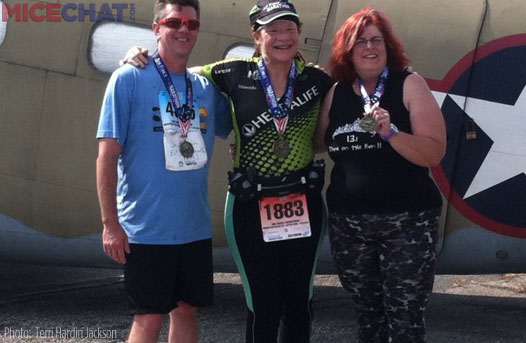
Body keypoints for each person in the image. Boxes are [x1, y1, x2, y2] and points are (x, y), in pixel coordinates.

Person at [121, 1, 333, 342]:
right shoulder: (232, 73)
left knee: (298, 302)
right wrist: (138, 54)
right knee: (263, 303)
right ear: (257, 36)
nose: (283, 37)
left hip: (302, 202)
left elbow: (340, 115)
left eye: (290, 29)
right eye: (273, 30)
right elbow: (180, 73)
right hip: (251, 204)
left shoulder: (318, 80)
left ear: (299, 34)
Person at [95, 0, 231, 342]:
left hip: (192, 227)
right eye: (174, 22)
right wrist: (110, 224)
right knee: (149, 317)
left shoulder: (203, 89)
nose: (183, 29)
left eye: (192, 24)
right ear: (156, 28)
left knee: (186, 311)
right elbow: (106, 157)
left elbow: (241, 122)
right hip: (146, 228)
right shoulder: (128, 77)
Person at [314, 7, 446, 343]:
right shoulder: (337, 92)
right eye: (360, 42)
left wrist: (392, 134)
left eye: (376, 40)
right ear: (348, 50)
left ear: (388, 48)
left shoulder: (409, 84)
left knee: (405, 320)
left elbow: (433, 151)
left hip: (407, 223)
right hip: (351, 226)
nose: (369, 48)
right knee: (368, 317)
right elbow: (315, 142)